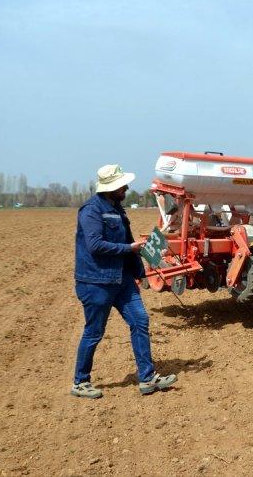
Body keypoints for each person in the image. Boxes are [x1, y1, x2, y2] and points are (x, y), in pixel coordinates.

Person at [71, 164, 177, 398]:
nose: (127, 187)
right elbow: (95, 246)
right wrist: (131, 248)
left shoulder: (117, 208)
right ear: (110, 188)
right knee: (94, 332)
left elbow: (127, 242)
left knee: (140, 320)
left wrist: (138, 271)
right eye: (122, 185)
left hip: (122, 280)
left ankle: (147, 378)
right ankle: (80, 382)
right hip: (96, 282)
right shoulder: (91, 210)